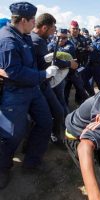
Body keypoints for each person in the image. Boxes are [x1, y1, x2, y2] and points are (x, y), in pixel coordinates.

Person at [0, 2, 59, 189]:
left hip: (33, 90)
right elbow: (14, 72)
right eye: (33, 19)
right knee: (11, 135)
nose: (35, 23)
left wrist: (44, 63)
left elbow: (30, 63)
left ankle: (31, 161)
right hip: (16, 93)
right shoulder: (7, 40)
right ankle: (3, 168)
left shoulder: (23, 36)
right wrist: (45, 74)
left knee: (45, 122)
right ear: (23, 20)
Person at [31, 13, 78, 144]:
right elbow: (50, 61)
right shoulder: (37, 41)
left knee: (56, 112)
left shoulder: (37, 39)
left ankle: (53, 137)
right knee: (52, 114)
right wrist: (69, 64)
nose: (53, 33)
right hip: (39, 83)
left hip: (42, 82)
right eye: (52, 29)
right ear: (45, 27)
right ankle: (49, 139)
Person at [48, 28, 78, 116]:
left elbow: (59, 56)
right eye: (59, 37)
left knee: (62, 99)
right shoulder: (52, 44)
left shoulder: (70, 46)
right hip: (51, 75)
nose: (61, 39)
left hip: (63, 75)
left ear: (67, 38)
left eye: (64, 38)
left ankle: (66, 121)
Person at [66, 20, 89, 105]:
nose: (75, 30)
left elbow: (86, 52)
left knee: (80, 87)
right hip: (67, 67)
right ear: (70, 29)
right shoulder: (66, 38)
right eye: (73, 28)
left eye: (76, 28)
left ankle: (79, 102)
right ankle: (66, 104)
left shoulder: (82, 38)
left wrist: (84, 65)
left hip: (79, 67)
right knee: (67, 87)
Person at [83, 25, 100, 96]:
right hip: (90, 64)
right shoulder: (95, 40)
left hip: (98, 66)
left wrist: (91, 48)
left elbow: (99, 48)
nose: (94, 31)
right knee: (83, 80)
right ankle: (92, 95)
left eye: (95, 30)